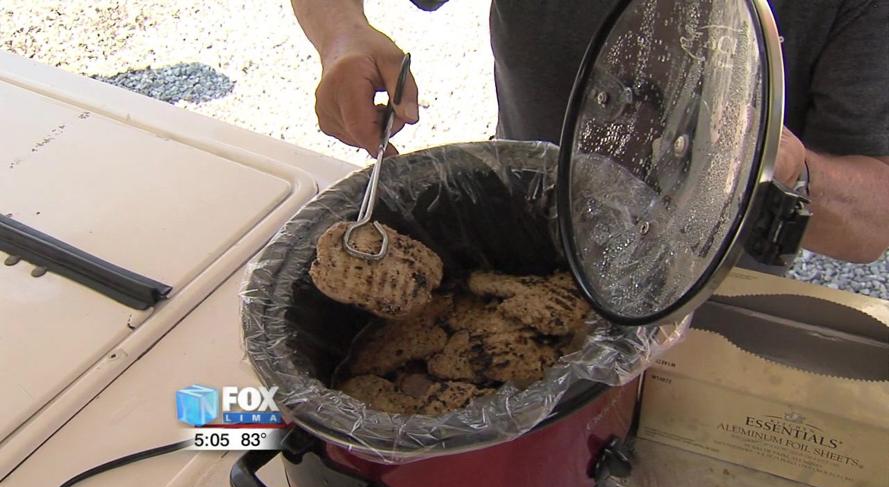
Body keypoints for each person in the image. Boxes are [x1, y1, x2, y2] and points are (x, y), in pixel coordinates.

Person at [290, 0, 889, 264]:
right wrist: (342, 35)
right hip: (521, 227)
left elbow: (872, 224)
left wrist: (782, 165)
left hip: (709, 282)